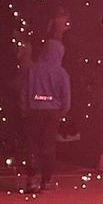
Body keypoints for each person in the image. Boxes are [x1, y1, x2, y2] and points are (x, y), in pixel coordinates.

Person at [19, 39, 71, 193]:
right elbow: (66, 96)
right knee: (48, 146)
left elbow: (24, 91)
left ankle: (32, 178)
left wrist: (25, 109)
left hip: (34, 110)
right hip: (52, 112)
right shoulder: (61, 73)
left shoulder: (33, 69)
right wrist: (63, 112)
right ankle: (46, 179)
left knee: (32, 145)